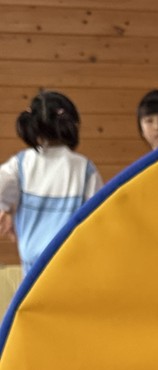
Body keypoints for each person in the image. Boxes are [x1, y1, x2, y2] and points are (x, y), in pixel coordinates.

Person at [0, 90, 102, 274]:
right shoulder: (84, 168)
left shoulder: (22, 163)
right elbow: (98, 218)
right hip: (72, 267)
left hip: (32, 270)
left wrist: (6, 210)